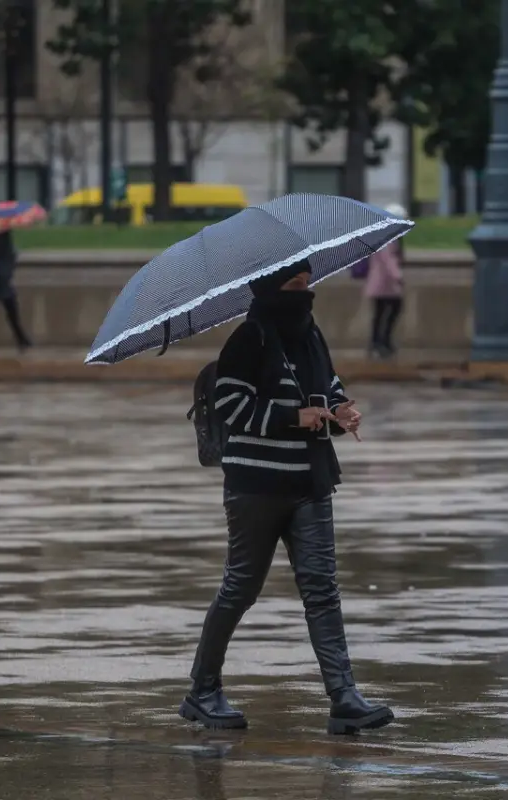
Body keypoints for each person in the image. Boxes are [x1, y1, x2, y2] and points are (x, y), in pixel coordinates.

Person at [179, 260, 395, 735]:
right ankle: (202, 690)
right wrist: (294, 418)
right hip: (257, 486)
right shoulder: (247, 339)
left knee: (322, 589)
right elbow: (233, 407)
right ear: (270, 287)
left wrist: (340, 411)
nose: (304, 293)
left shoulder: (311, 335)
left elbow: (327, 385)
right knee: (241, 587)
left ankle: (344, 697)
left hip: (311, 482)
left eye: (307, 284)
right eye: (294, 285)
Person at [365, 204, 406, 359]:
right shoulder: (388, 237)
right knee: (389, 310)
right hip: (384, 282)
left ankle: (379, 342)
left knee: (380, 312)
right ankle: (381, 342)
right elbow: (389, 260)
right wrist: (398, 276)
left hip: (382, 282)